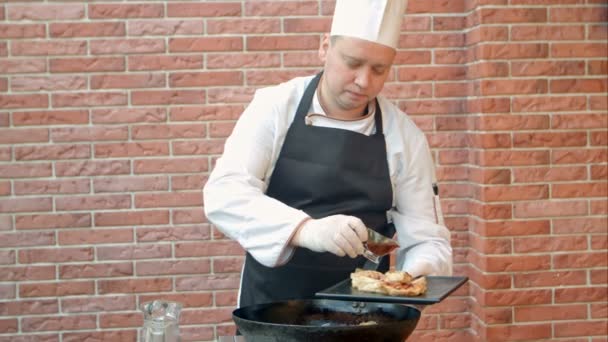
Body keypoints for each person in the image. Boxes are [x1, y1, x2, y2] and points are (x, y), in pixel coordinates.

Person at [203, 0, 452, 308]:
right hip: (270, 310)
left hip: (364, 316)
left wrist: (406, 278)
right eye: (352, 62)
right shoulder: (275, 107)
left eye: (379, 69)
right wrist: (307, 230)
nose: (364, 81)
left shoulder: (405, 137)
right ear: (324, 47)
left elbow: (427, 239)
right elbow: (224, 194)